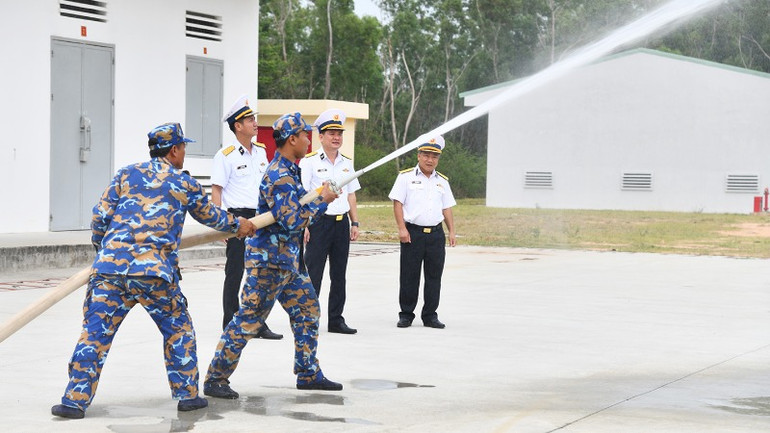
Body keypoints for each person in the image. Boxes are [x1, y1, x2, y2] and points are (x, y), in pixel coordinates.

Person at [50, 123, 256, 419]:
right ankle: (187, 396)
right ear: (173, 150)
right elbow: (210, 215)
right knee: (178, 330)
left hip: (109, 272)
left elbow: (100, 218)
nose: (183, 153)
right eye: (182, 147)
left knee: (94, 336)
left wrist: (106, 252)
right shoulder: (183, 182)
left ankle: (74, 401)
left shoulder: (126, 174)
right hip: (154, 273)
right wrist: (239, 225)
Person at [204, 112, 343, 399]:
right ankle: (215, 378)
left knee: (308, 311)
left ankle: (308, 373)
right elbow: (293, 220)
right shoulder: (279, 175)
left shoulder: (290, 170)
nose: (308, 141)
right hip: (269, 263)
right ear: (292, 139)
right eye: (304, 136)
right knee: (248, 319)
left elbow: (297, 210)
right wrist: (323, 201)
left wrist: (318, 196)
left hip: (288, 262)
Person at [211, 95, 283, 339]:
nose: (255, 123)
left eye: (254, 118)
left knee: (262, 272)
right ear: (238, 126)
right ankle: (231, 322)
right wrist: (221, 224)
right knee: (235, 272)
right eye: (250, 119)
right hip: (238, 218)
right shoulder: (225, 155)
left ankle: (258, 323)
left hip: (261, 217)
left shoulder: (261, 152)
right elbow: (217, 191)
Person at [299, 109, 361, 334]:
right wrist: (304, 225)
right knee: (313, 273)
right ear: (321, 136)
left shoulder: (347, 163)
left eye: (339, 133)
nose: (336, 137)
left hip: (340, 224)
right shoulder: (309, 162)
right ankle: (308, 319)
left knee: (339, 274)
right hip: (318, 223)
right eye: (331, 133)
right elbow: (303, 197)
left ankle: (336, 320)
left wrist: (355, 223)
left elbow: (351, 195)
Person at [388, 136, 457, 329]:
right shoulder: (405, 177)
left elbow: (447, 208)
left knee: (434, 276)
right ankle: (406, 314)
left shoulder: (442, 181)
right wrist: (401, 228)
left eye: (434, 156)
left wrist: (452, 231)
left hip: (436, 234)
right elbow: (398, 203)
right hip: (413, 233)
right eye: (426, 155)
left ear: (438, 159)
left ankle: (430, 315)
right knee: (409, 275)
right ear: (418, 156)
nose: (430, 160)